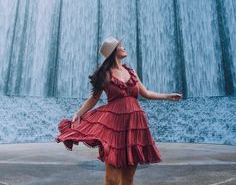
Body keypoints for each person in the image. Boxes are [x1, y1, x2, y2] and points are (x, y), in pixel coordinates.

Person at [55, 36, 183, 185]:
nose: (124, 47)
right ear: (113, 51)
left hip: (135, 125)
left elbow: (146, 93)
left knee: (128, 179)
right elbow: (94, 99)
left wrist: (167, 96)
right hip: (115, 127)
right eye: (121, 46)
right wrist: (78, 113)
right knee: (112, 180)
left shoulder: (131, 71)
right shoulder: (105, 74)